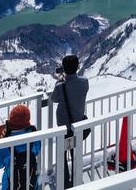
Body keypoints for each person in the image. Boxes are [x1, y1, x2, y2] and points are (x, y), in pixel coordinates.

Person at [52, 54, 90, 187]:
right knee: (76, 152)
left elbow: (54, 99)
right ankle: (76, 179)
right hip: (78, 124)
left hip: (63, 127)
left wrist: (60, 81)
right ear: (78, 66)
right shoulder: (84, 82)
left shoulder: (60, 86)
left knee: (62, 155)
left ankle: (64, 182)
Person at [0, 104, 40, 190]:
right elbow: (37, 150)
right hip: (31, 185)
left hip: (10, 186)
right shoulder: (34, 136)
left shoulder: (5, 142)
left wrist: (2, 140)